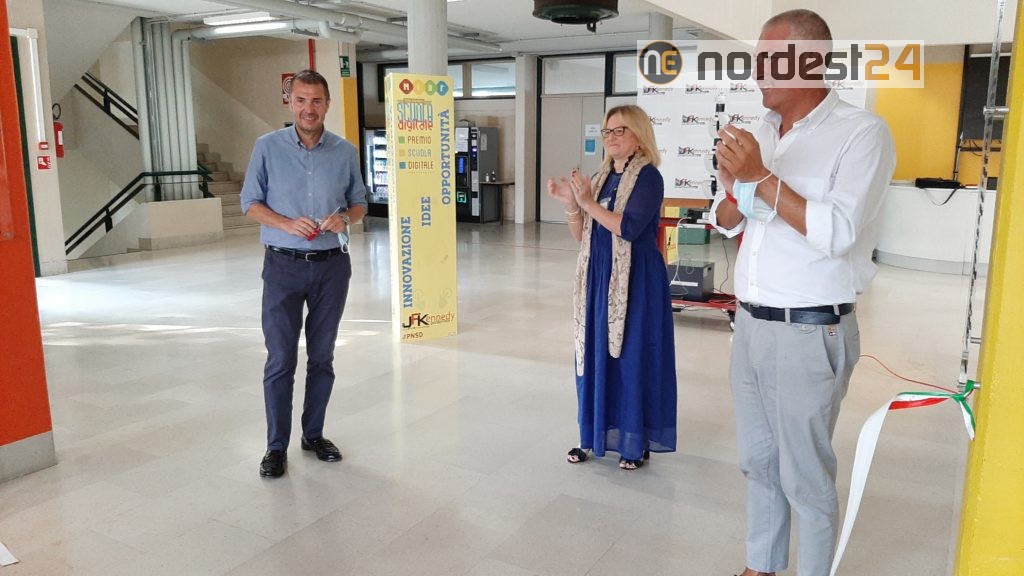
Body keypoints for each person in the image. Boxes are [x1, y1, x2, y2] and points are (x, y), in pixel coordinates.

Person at [709, 10, 896, 576]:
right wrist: (733, 190)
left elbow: (837, 232)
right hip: (750, 322)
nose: (757, 71)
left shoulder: (861, 133)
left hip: (810, 330)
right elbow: (725, 221)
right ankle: (761, 565)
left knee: (805, 475)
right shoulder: (761, 132)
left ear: (812, 60)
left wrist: (761, 178)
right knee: (758, 460)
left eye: (770, 58)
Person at [240, 69, 367, 478]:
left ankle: (313, 434)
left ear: (327, 104)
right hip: (282, 266)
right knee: (280, 358)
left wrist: (345, 218)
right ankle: (275, 446)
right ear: (289, 102)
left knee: (322, 356)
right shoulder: (267, 147)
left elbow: (359, 202)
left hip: (332, 267)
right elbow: (250, 202)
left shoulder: (345, 151)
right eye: (301, 100)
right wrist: (284, 223)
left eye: (316, 100)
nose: (308, 108)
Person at [547, 105, 677, 470]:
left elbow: (629, 228)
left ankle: (634, 443)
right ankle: (592, 436)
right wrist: (573, 205)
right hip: (598, 278)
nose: (611, 137)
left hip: (635, 282)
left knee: (630, 359)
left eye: (620, 130)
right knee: (594, 355)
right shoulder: (600, 177)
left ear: (639, 136)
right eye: (607, 131)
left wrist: (587, 202)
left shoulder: (649, 178)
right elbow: (584, 235)